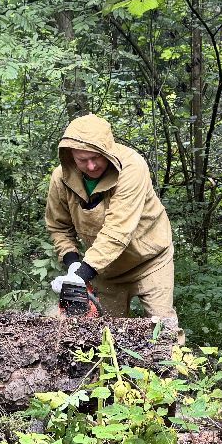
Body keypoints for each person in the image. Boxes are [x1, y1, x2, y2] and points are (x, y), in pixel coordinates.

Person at [44, 114, 177, 329]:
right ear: (70, 156)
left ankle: (175, 361)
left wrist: (82, 274)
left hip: (150, 261)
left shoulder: (131, 167)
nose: (91, 166)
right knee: (106, 332)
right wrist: (73, 265)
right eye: (82, 160)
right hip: (104, 268)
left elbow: (118, 229)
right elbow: (59, 226)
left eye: (96, 157)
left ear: (108, 149)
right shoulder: (61, 178)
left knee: (163, 328)